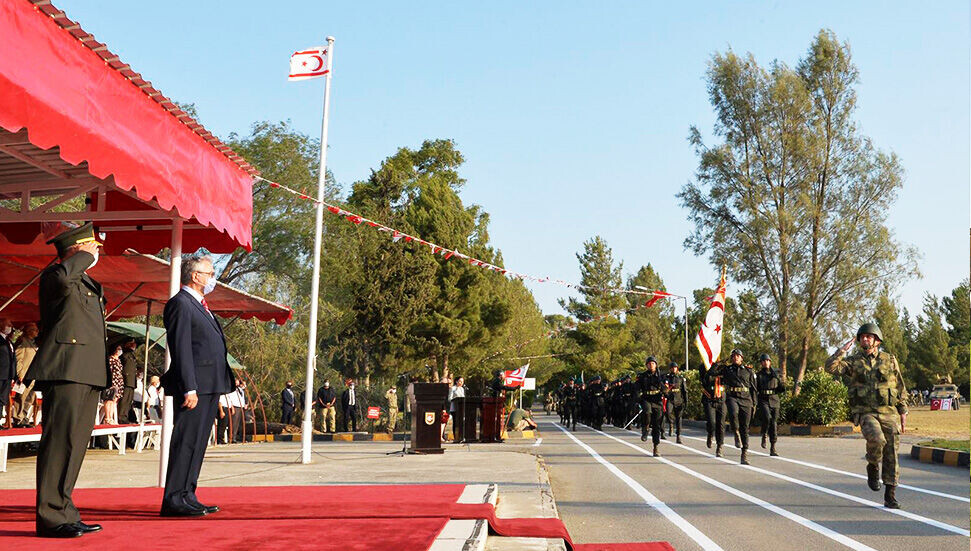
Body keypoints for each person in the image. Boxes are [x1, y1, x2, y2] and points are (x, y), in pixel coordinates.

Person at [26, 223, 107, 538]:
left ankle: (65, 511)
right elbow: (60, 279)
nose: (96, 252)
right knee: (58, 444)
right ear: (76, 248)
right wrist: (81, 258)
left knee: (74, 446)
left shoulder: (83, 280)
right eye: (92, 247)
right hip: (65, 369)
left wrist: (83, 262)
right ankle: (49, 517)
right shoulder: (56, 275)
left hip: (87, 371)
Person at [159, 254, 234, 517]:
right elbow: (181, 348)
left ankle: (187, 493)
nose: (213, 277)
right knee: (186, 442)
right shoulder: (181, 304)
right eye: (209, 273)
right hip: (194, 386)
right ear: (195, 276)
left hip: (209, 384)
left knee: (198, 442)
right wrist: (188, 386)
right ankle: (173, 498)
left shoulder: (201, 305)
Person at [825, 323, 908, 509]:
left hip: (889, 412)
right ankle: (872, 465)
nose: (865, 339)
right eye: (862, 336)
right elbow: (830, 368)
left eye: (869, 337)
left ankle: (890, 495)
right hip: (866, 412)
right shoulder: (853, 361)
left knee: (892, 453)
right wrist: (841, 351)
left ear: (877, 340)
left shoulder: (890, 359)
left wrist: (903, 411)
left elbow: (900, 386)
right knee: (877, 440)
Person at [710, 349, 757, 465]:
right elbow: (711, 373)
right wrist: (719, 362)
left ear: (742, 358)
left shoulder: (748, 371)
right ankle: (735, 431)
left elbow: (754, 389)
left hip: (746, 400)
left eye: (738, 356)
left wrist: (755, 404)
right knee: (733, 413)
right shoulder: (727, 369)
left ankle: (744, 453)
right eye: (734, 356)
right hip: (732, 397)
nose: (736, 357)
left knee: (745, 428)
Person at [755, 353, 784, 456]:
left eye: (767, 360)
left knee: (774, 423)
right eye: (764, 361)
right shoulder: (758, 375)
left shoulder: (775, 373)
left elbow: (781, 389)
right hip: (763, 399)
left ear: (770, 362)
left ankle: (773, 447)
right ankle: (764, 434)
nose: (766, 362)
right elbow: (756, 389)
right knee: (767, 417)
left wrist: (780, 379)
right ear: (761, 363)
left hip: (774, 399)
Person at [637, 356, 665, 456]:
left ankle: (656, 447)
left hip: (657, 400)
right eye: (649, 364)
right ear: (646, 365)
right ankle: (645, 428)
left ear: (656, 365)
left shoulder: (660, 375)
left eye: (653, 363)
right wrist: (637, 398)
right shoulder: (642, 376)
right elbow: (637, 388)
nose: (651, 365)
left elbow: (665, 388)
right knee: (647, 412)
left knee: (657, 425)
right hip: (646, 398)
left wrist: (664, 388)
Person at [12, 323, 39, 427]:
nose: (37, 332)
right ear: (29, 331)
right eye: (35, 330)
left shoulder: (34, 343)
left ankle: (24, 417)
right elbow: (19, 359)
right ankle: (18, 418)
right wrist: (20, 374)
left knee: (30, 397)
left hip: (33, 375)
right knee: (21, 397)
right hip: (24, 374)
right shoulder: (23, 342)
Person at [701, 361, 727, 457]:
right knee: (712, 422)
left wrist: (720, 366)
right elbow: (706, 378)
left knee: (721, 424)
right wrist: (714, 366)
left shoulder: (724, 368)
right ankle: (710, 433)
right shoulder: (704, 367)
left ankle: (719, 447)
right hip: (709, 399)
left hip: (721, 400)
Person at [663, 362, 687, 443]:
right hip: (670, 399)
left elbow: (684, 390)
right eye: (672, 367)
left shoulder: (681, 378)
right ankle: (671, 424)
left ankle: (678, 436)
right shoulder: (667, 378)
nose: (674, 369)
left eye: (675, 367)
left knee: (679, 418)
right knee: (668, 412)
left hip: (679, 400)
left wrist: (686, 401)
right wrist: (666, 393)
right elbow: (664, 389)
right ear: (670, 369)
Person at [117, 338, 138, 424]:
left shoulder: (131, 356)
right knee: (124, 400)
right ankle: (122, 417)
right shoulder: (125, 355)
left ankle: (126, 416)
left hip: (131, 381)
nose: (134, 345)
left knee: (129, 401)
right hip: (127, 380)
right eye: (131, 344)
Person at [102, 345, 124, 425]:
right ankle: (107, 418)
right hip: (112, 381)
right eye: (118, 349)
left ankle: (111, 417)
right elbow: (109, 371)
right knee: (109, 400)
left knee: (114, 401)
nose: (120, 351)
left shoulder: (119, 360)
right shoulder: (110, 359)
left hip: (119, 382)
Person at [0, 319, 15, 429]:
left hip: (8, 375)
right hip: (1, 374)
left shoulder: (9, 341)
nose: (10, 327)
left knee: (2, 399)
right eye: (8, 325)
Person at [448, 376, 465, 441]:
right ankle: (456, 437)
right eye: (460, 381)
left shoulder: (462, 389)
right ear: (456, 381)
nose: (461, 383)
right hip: (455, 408)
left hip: (461, 408)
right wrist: (455, 398)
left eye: (462, 381)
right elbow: (449, 398)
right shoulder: (453, 388)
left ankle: (461, 436)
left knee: (461, 422)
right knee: (455, 422)